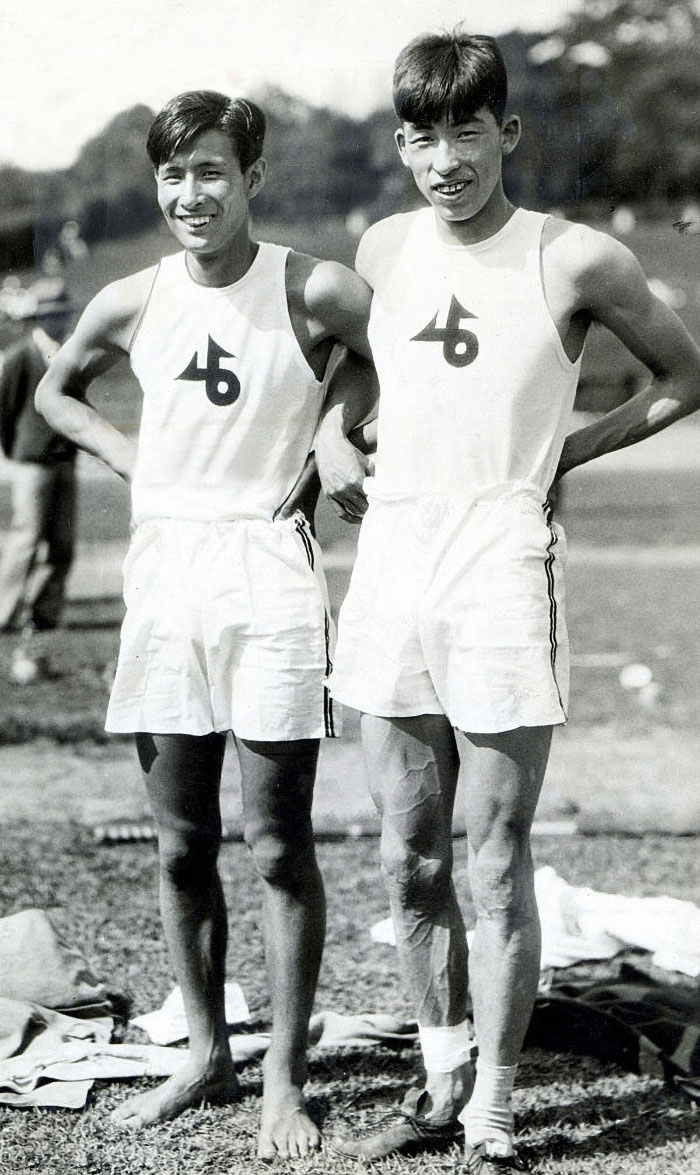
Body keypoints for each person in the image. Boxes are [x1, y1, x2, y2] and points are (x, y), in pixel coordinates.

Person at [314, 28, 700, 1171]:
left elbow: (687, 373)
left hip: (499, 556)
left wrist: (569, 453)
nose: (446, 159)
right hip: (393, 554)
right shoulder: (381, 246)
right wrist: (337, 433)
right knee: (406, 856)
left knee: (491, 852)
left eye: (466, 134)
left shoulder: (574, 257)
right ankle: (436, 1081)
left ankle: (492, 1106)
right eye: (424, 137)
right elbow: (360, 363)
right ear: (401, 143)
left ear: (506, 134)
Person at [35, 90, 373, 1160]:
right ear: (157, 183)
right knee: (183, 841)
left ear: (253, 177)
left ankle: (282, 1072)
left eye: (214, 171)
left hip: (269, 565)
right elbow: (55, 392)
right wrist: (129, 458)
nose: (193, 193)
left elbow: (386, 354)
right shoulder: (131, 298)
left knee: (277, 842)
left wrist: (332, 429)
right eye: (175, 174)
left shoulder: (313, 284)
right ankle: (203, 1049)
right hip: (167, 567)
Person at [0, 284, 77, 641]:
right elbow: (4, 407)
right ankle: (3, 614)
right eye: (54, 315)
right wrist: (17, 449)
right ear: (40, 317)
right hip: (32, 464)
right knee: (26, 539)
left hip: (64, 461)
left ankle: (45, 614)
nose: (61, 321)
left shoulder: (70, 354)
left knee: (62, 544)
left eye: (64, 314)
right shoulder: (20, 356)